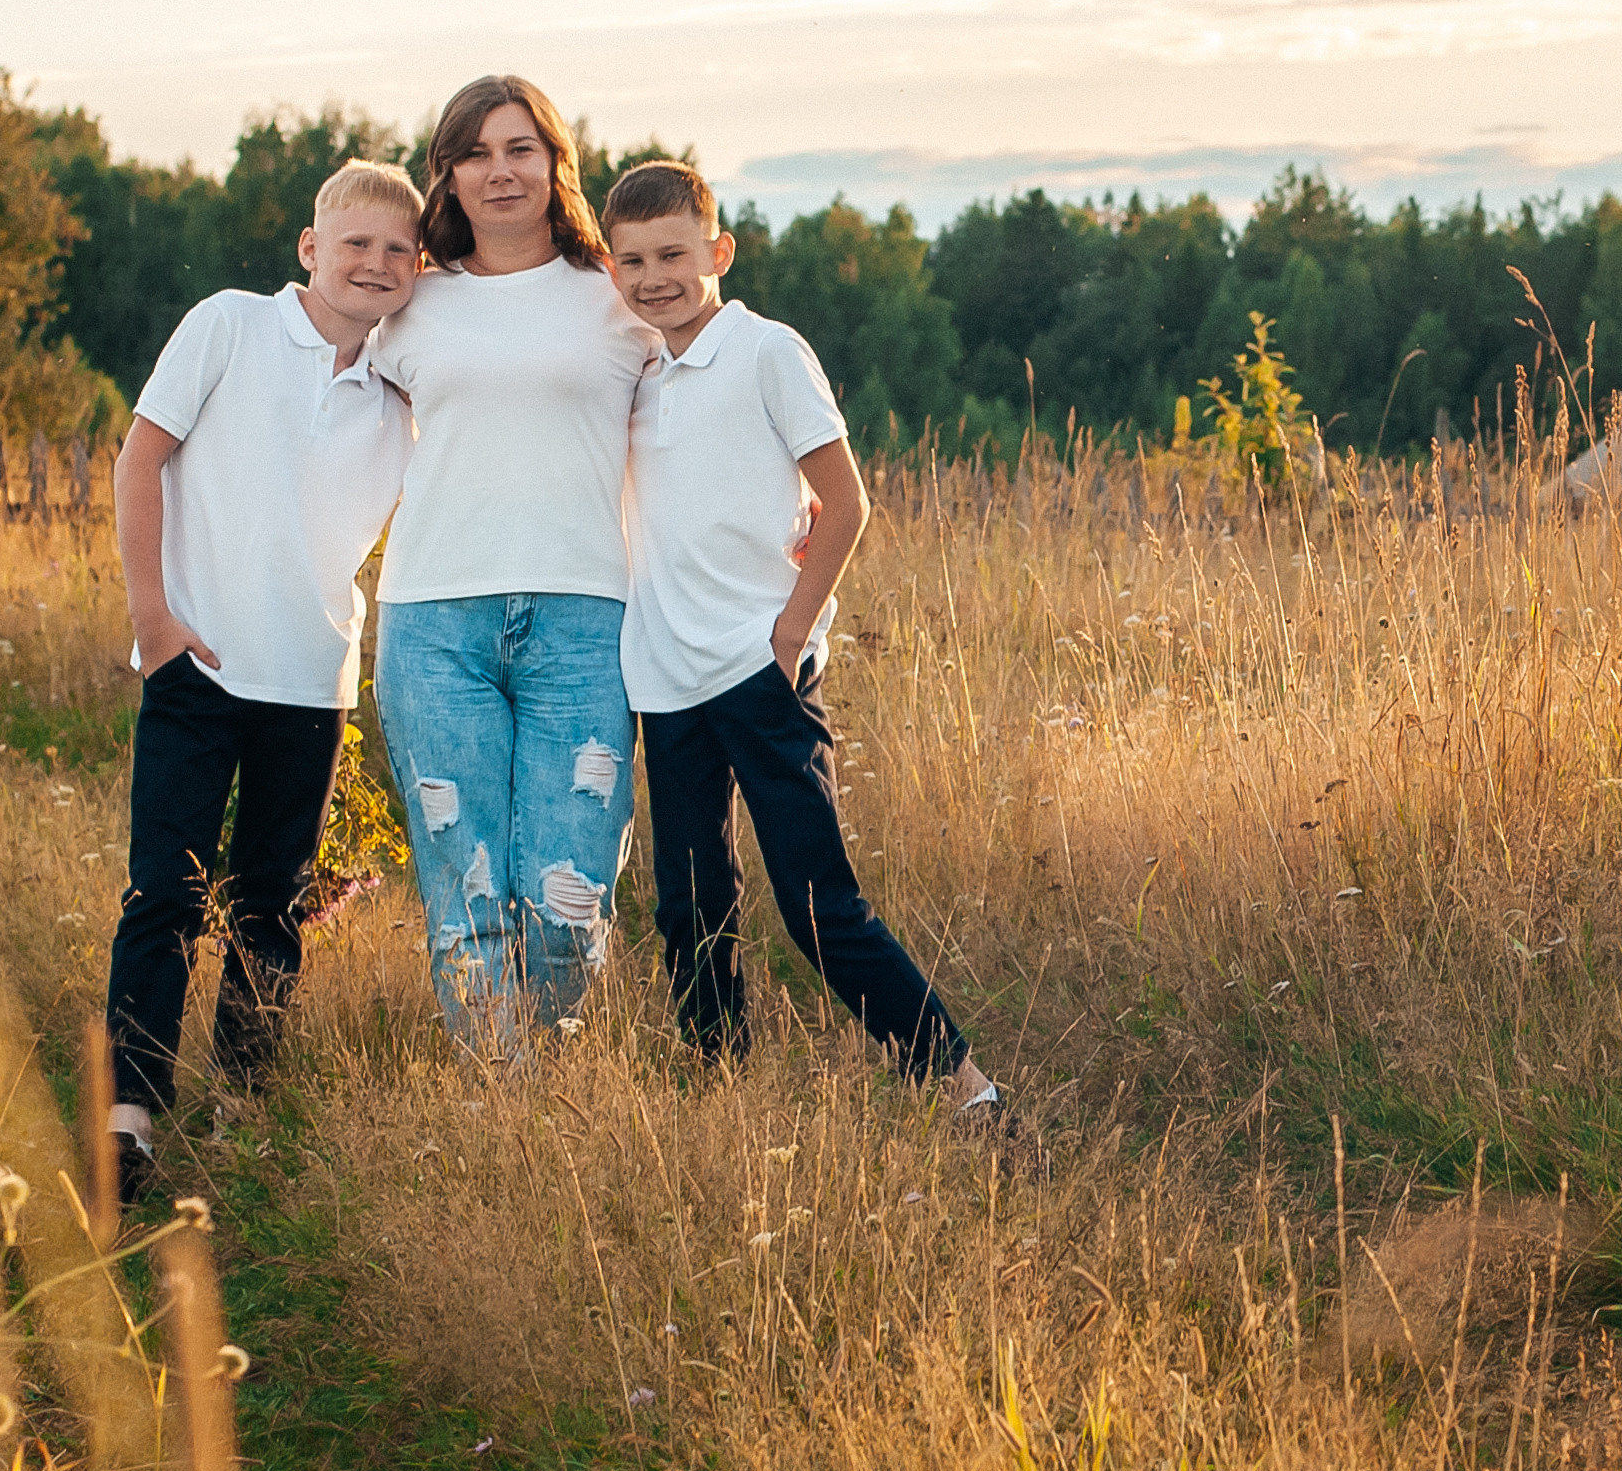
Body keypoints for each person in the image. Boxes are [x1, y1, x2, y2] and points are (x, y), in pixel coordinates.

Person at [604, 159, 1003, 1118]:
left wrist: (790, 632)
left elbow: (848, 501)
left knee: (819, 906)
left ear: (720, 252)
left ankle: (967, 1092)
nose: (654, 278)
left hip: (757, 668)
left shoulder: (767, 351)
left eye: (673, 255)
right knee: (690, 910)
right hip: (666, 681)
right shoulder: (633, 373)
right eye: (631, 263)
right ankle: (718, 1099)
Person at [103, 160, 421, 1198]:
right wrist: (152, 617)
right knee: (166, 892)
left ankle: (245, 1101)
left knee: (270, 903)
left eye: (397, 251)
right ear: (310, 247)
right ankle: (130, 1116)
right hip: (198, 659)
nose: (374, 264)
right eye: (356, 243)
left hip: (310, 678)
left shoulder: (404, 391)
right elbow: (139, 459)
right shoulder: (229, 326)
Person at [371, 75, 660, 1053]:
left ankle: (556, 1088)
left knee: (568, 901)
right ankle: (505, 1106)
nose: (500, 170)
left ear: (554, 164)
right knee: (467, 892)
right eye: (477, 152)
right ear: (446, 174)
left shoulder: (620, 298)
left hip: (584, 625)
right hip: (432, 624)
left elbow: (704, 426)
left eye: (521, 148)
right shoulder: (404, 304)